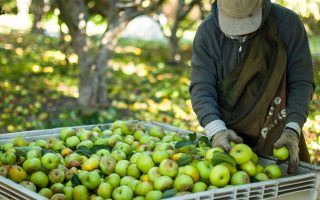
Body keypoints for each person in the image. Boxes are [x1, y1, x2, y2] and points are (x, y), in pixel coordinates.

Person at [189, 0, 315, 174]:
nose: (241, 34)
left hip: (278, 129)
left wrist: (293, 129)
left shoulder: (287, 24)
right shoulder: (208, 33)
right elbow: (202, 88)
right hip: (230, 140)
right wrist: (216, 130)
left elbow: (301, 82)